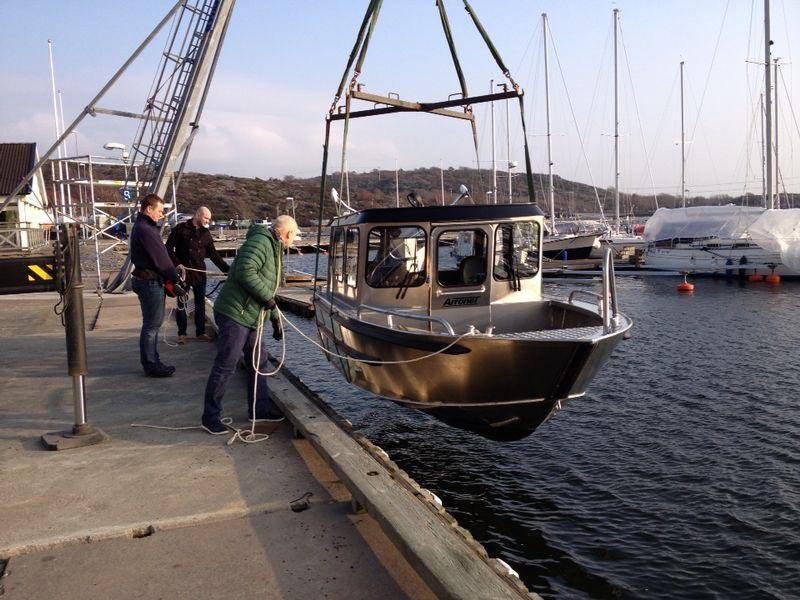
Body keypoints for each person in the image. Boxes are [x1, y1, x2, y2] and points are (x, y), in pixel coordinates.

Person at [201, 215, 298, 434]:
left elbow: (267, 287)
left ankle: (258, 409)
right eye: (294, 236)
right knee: (227, 363)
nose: (293, 241)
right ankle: (210, 416)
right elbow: (245, 271)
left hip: (252, 316)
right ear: (287, 233)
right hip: (235, 313)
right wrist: (268, 300)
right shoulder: (261, 242)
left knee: (259, 362)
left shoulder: (274, 247)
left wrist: (274, 318)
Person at [130, 194, 184, 377]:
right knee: (152, 326)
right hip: (149, 281)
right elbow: (161, 259)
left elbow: (158, 258)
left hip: (146, 279)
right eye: (159, 211)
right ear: (148, 209)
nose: (161, 215)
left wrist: (171, 278)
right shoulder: (146, 229)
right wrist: (175, 280)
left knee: (151, 325)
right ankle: (151, 364)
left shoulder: (143, 227)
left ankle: (153, 361)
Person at [166, 206, 230, 344]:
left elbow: (213, 255)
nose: (208, 221)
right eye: (206, 218)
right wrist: (176, 263)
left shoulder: (206, 233)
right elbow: (168, 248)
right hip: (182, 274)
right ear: (198, 215)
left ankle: (200, 332)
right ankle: (181, 334)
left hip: (199, 274)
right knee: (181, 304)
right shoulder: (180, 229)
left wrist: (227, 270)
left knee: (200, 304)